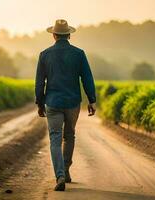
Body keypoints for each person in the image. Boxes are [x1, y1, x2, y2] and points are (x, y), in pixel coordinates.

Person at [35, 19, 96, 191]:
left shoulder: (44, 55)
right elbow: (87, 78)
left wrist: (40, 103)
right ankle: (66, 170)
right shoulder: (79, 54)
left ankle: (60, 175)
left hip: (53, 103)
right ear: (69, 35)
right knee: (69, 136)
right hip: (72, 102)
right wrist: (92, 99)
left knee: (55, 139)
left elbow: (40, 83)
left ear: (54, 35)